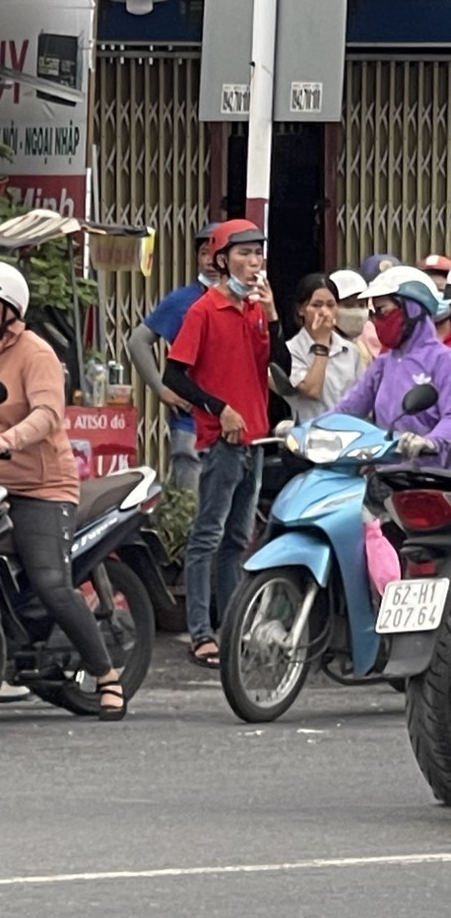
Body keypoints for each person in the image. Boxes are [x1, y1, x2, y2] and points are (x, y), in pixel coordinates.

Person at [0, 261, 129, 717]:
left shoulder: (36, 354)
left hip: (41, 488)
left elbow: (49, 415)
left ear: (7, 313)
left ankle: (107, 675)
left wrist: (4, 441)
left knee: (52, 582)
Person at [160, 221, 287, 668]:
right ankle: (201, 633)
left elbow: (280, 368)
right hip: (221, 440)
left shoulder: (255, 310)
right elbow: (173, 375)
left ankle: (231, 627)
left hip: (254, 439)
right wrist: (219, 408)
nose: (253, 263)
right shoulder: (204, 310)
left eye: (258, 255)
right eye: (244, 254)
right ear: (220, 260)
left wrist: (273, 317)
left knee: (237, 537)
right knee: (207, 536)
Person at [127, 223, 219, 495]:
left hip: (233, 425)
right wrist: (161, 389)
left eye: (217, 254)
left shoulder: (247, 302)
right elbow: (137, 341)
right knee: (190, 506)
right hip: (189, 422)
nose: (210, 261)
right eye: (204, 253)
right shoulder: (183, 300)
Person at [333, 266, 451, 460]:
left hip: (430, 476)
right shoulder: (383, 364)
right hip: (385, 473)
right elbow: (348, 409)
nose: (376, 320)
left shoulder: (443, 361)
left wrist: (430, 441)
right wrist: (307, 428)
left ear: (411, 309)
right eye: (374, 313)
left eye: (382, 311)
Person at [283, 272, 363, 423]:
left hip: (348, 433)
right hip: (311, 436)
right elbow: (312, 390)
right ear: (301, 310)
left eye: (330, 305)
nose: (324, 312)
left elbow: (361, 397)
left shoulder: (351, 350)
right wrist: (322, 342)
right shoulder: (291, 350)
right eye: (316, 305)